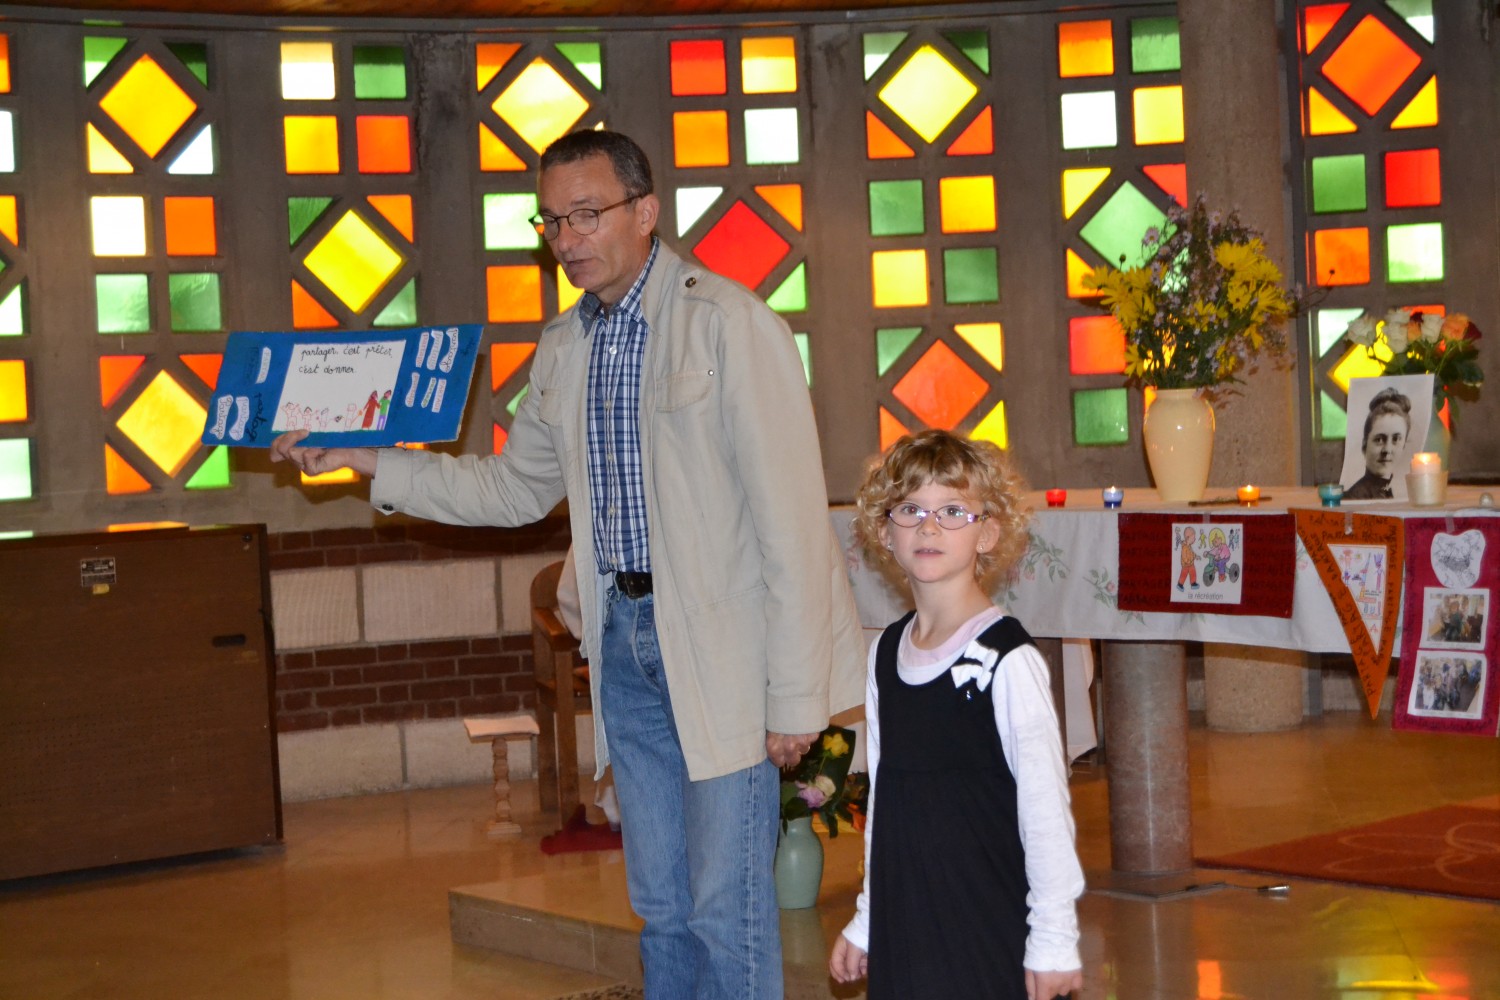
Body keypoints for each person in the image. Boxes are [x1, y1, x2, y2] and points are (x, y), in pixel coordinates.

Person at [271, 129, 864, 1000]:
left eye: (587, 214)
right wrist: (368, 461)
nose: (567, 238)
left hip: (724, 650)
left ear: (646, 211)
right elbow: (512, 488)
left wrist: (797, 698)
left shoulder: (728, 325)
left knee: (724, 905)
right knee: (660, 904)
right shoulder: (565, 346)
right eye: (551, 221)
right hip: (622, 639)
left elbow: (793, 525)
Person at [829, 430, 1084, 1000]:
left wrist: (1054, 938)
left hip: (984, 919)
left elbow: (1044, 809)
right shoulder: (886, 653)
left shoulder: (1006, 659)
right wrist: (868, 918)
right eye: (910, 510)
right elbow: (885, 796)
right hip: (905, 921)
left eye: (952, 511)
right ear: (884, 530)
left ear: (987, 532)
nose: (929, 527)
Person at [1343, 387, 1411, 499]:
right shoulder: (1353, 498)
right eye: (1379, 440)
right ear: (1364, 446)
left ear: (1403, 445)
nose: (1387, 449)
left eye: (1396, 439)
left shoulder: (1393, 492)